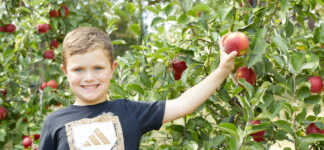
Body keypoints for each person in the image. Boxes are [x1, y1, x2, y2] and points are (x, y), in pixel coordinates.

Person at [38, 27, 237, 150]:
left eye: (98, 68)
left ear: (112, 69)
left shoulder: (129, 112)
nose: (89, 78)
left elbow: (184, 104)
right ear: (65, 72)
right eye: (79, 69)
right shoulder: (54, 122)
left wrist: (222, 70)